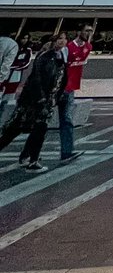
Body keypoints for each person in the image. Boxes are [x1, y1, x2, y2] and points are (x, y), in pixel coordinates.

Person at [0, 33, 67, 170]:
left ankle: (32, 158)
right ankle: (29, 157)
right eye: (59, 39)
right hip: (33, 101)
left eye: (65, 39)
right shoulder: (45, 57)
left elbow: (60, 79)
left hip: (47, 101)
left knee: (39, 130)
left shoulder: (60, 57)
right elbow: (36, 79)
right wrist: (41, 98)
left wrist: (56, 97)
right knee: (14, 129)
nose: (63, 41)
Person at [58, 21, 92, 164]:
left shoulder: (88, 47)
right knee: (40, 122)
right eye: (87, 30)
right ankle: (28, 153)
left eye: (91, 31)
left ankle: (66, 152)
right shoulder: (67, 47)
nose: (89, 33)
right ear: (79, 32)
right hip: (58, 87)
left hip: (70, 88)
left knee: (67, 120)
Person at [0, 33, 31, 125]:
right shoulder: (13, 47)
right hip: (5, 76)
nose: (24, 40)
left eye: (26, 38)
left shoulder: (27, 50)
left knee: (6, 101)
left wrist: (13, 67)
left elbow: (25, 63)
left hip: (14, 77)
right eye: (23, 38)